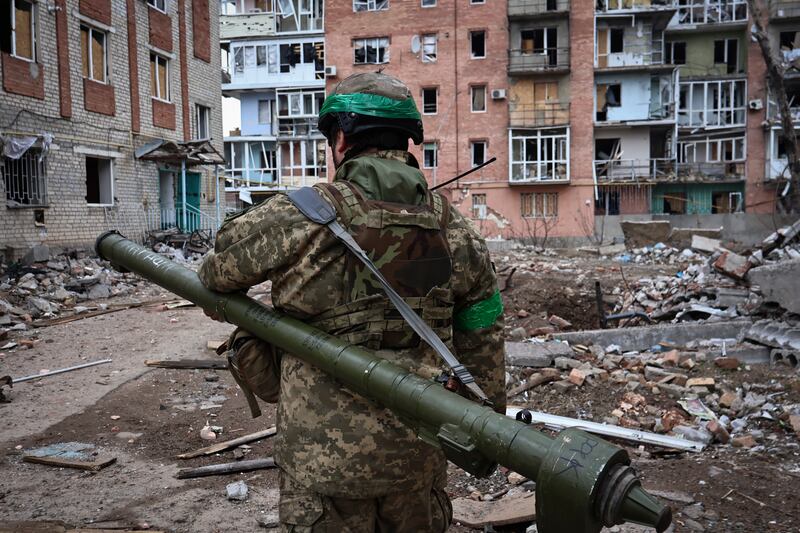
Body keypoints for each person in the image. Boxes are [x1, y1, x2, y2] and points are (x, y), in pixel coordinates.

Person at [198, 72, 505, 532]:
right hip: (417, 456)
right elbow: (483, 331)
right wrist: (488, 428)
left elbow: (216, 273)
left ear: (341, 138)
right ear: (407, 142)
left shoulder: (301, 214)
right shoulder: (455, 230)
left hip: (322, 460)